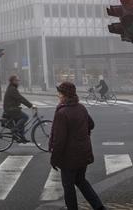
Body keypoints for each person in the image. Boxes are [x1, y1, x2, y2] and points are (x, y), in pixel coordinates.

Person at [50, 81, 106, 210]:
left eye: (59, 93)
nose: (58, 95)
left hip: (69, 157)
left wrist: (54, 159)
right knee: (81, 181)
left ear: (64, 95)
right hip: (83, 153)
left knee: (68, 186)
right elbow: (91, 124)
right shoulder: (81, 108)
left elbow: (59, 141)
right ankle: (99, 207)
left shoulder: (62, 113)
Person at [3, 75, 35, 143]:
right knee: (25, 117)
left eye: (18, 80)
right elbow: (20, 98)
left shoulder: (12, 88)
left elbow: (19, 98)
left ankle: (21, 137)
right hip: (11, 109)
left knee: (21, 122)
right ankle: (14, 129)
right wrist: (31, 105)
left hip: (12, 108)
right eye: (17, 80)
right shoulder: (12, 89)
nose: (18, 82)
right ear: (13, 81)